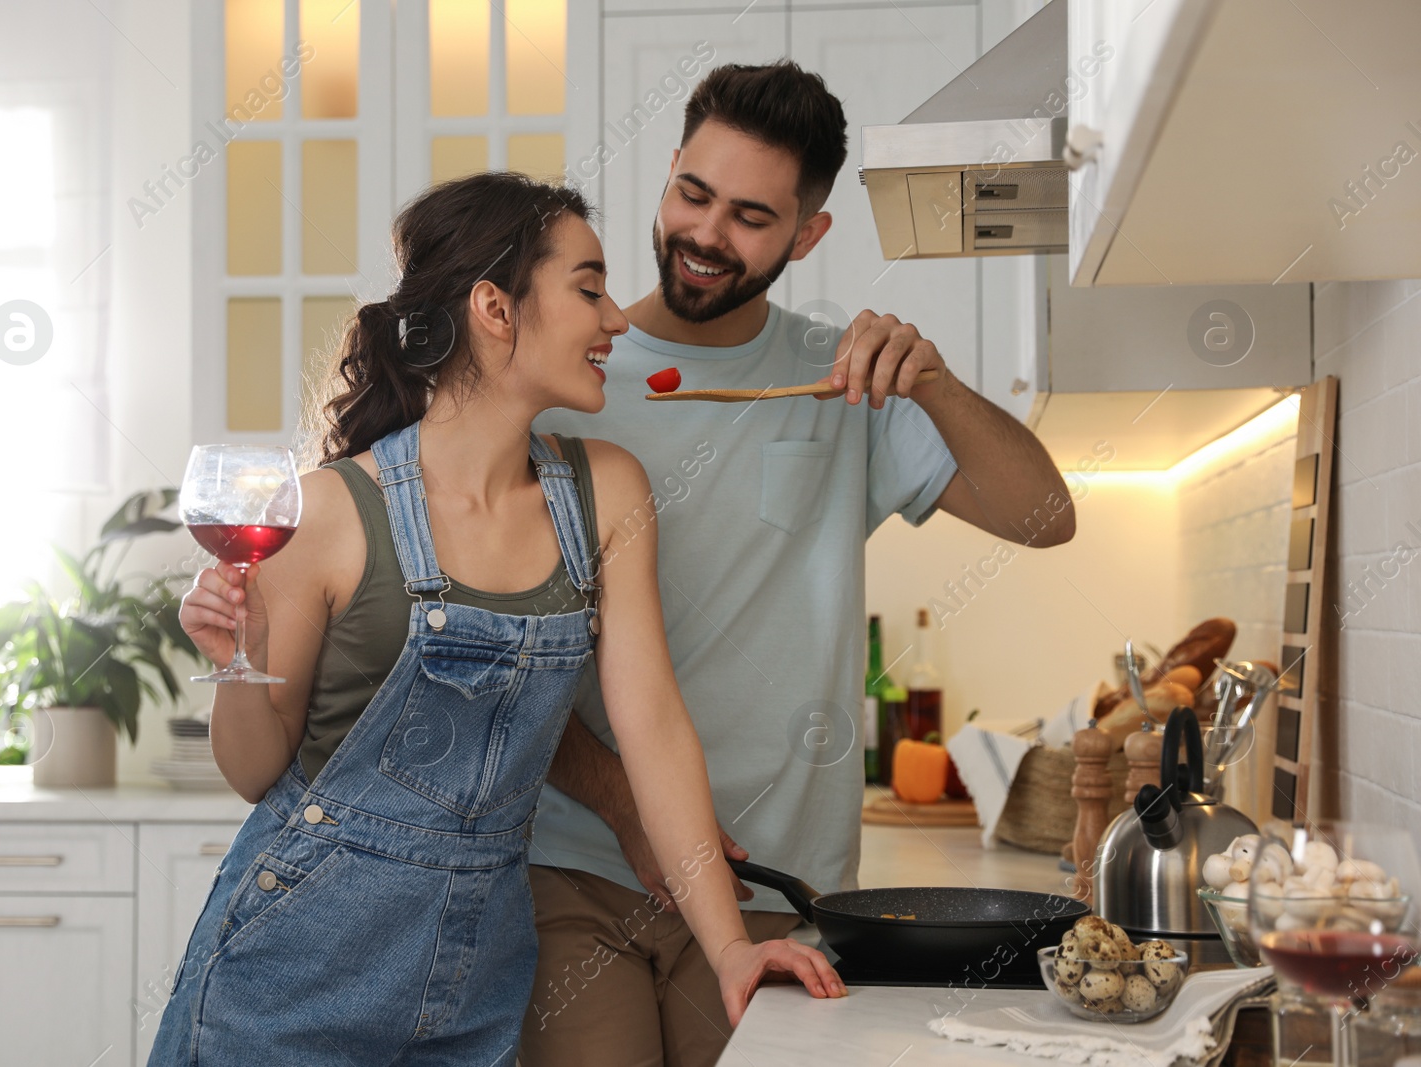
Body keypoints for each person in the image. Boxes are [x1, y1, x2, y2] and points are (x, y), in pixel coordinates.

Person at [145, 171, 845, 1066]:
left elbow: (655, 728)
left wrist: (731, 946)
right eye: (588, 288)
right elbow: (254, 771)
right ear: (495, 307)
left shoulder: (607, 493)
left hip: (471, 988)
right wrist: (243, 655)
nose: (617, 319)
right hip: (287, 980)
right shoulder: (326, 511)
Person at [520, 61, 1077, 1067]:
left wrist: (937, 384)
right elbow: (505, 654)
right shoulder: (568, 382)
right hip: (576, 866)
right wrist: (623, 807)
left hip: (775, 886)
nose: (704, 234)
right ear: (667, 176)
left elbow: (1045, 516)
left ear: (806, 234)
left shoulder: (842, 383)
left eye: (748, 216)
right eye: (692, 194)